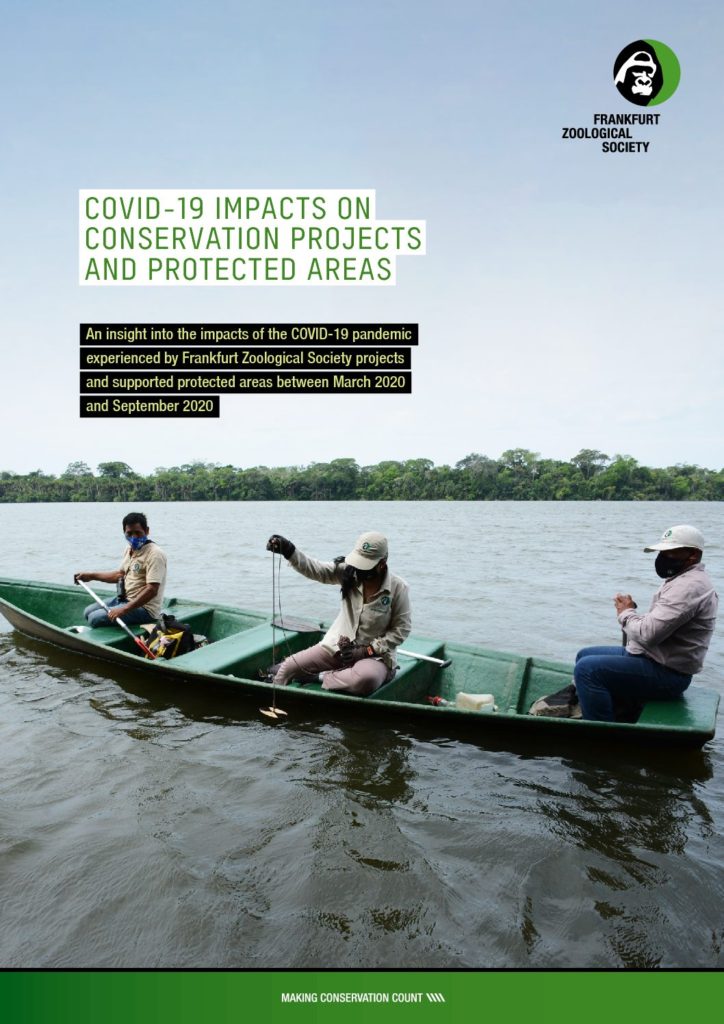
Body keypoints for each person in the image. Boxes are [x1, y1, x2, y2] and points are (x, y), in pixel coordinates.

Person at [574, 525, 718, 722]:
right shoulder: (682, 579)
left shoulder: (689, 586)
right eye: (662, 552)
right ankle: (616, 708)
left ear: (692, 555)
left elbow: (647, 634)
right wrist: (630, 612)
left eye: (670, 552)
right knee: (584, 655)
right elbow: (657, 624)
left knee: (587, 670)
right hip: (653, 658)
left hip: (668, 674)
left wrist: (625, 613)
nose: (662, 558)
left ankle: (600, 730)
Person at [265, 531, 412, 696]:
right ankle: (274, 695)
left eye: (366, 566)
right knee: (289, 667)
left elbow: (401, 630)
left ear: (382, 564)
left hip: (375, 657)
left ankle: (320, 676)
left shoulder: (398, 588)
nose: (359, 570)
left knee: (365, 680)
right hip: (339, 648)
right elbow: (316, 569)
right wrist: (289, 550)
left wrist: (367, 651)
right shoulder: (348, 572)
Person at [74, 512, 168, 628]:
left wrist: (123, 610)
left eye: (138, 533)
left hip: (145, 609)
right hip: (125, 600)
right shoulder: (129, 549)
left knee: (94, 618)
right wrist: (91, 576)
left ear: (147, 531)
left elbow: (152, 590)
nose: (134, 537)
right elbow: (120, 575)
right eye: (129, 533)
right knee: (87, 612)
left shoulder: (155, 554)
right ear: (124, 532)